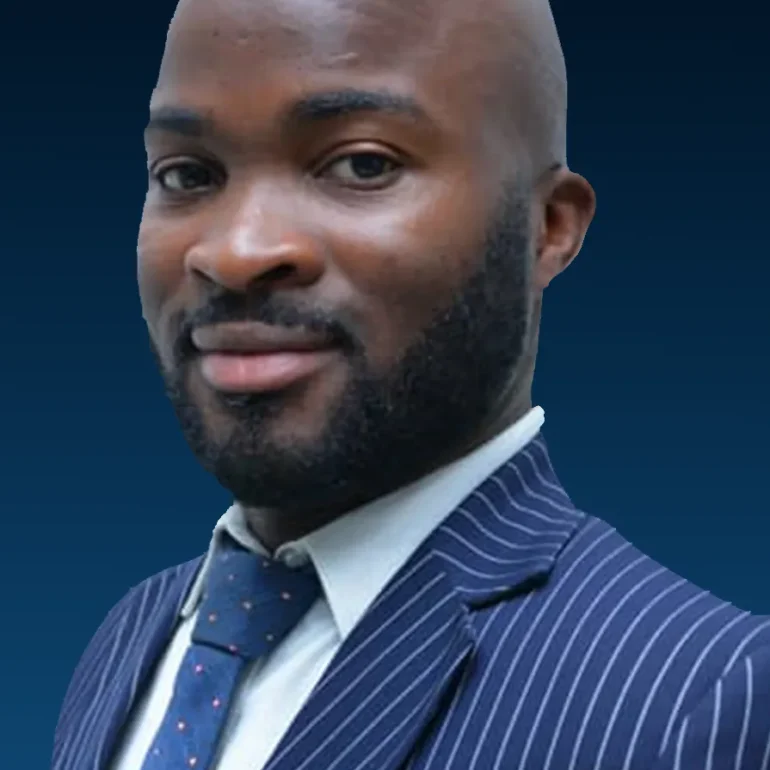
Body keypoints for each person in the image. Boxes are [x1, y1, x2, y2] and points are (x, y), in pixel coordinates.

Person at [52, 0, 770, 767]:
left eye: (363, 164)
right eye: (187, 174)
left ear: (548, 226)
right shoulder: (131, 637)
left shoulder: (707, 700)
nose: (236, 253)